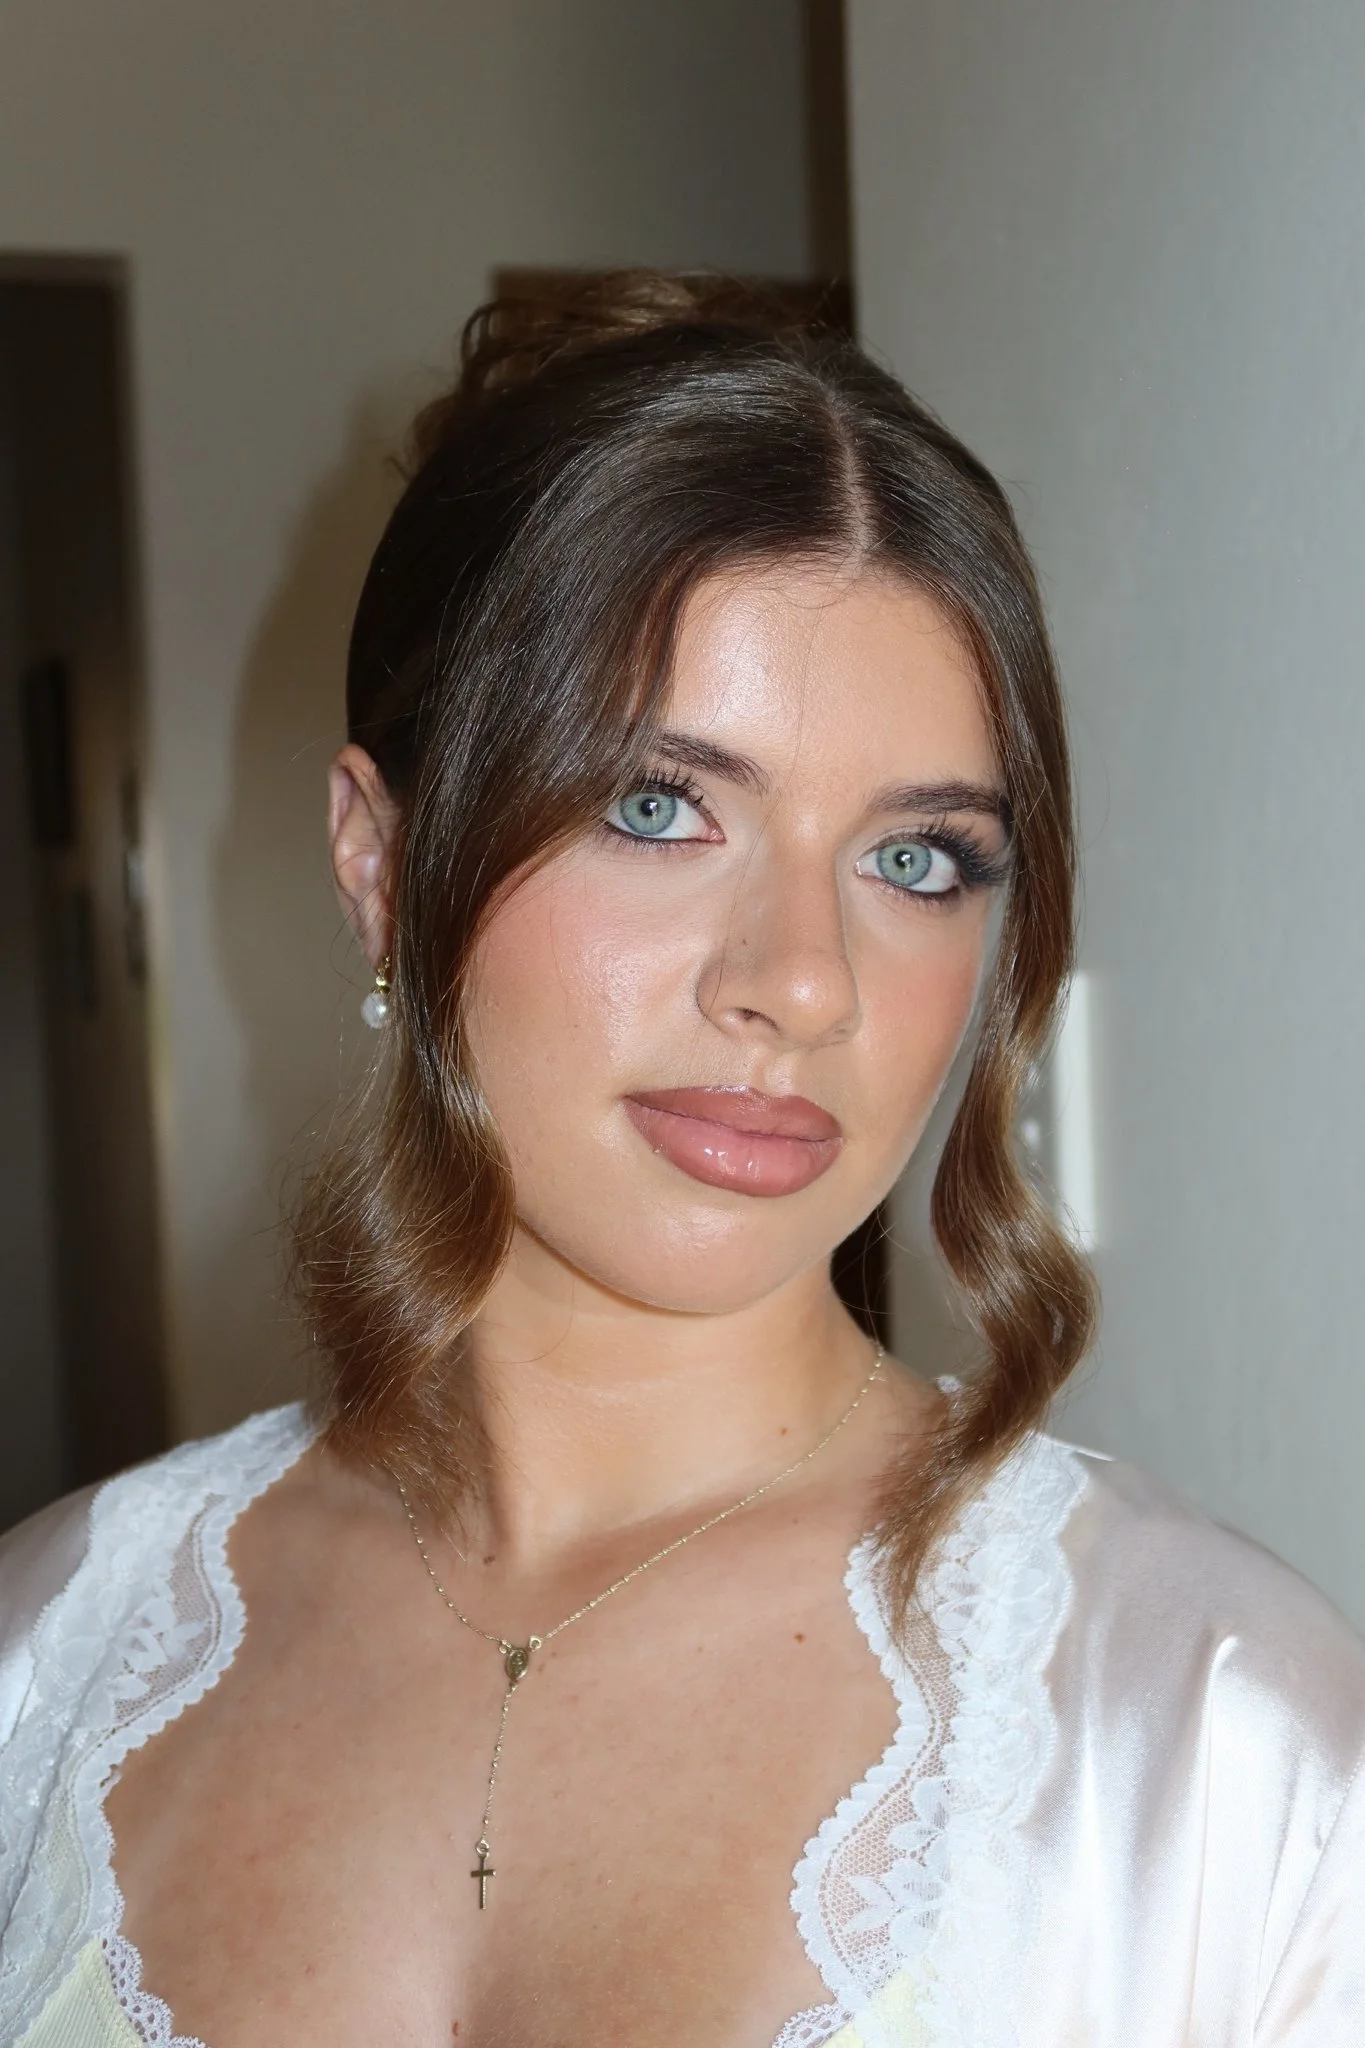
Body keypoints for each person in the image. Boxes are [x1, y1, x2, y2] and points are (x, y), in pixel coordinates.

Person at [1, 273, 1361, 2048]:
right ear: (377, 863)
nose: (802, 980)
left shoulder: (1216, 1754)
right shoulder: (43, 1663)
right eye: (659, 808)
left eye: (918, 859)